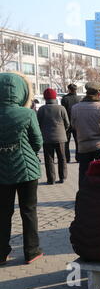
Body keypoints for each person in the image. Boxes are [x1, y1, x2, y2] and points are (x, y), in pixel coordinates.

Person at [0, 72, 44, 265]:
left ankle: (2, 253)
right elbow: (37, 142)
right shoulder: (27, 113)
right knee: (28, 211)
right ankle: (31, 251)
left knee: (2, 213)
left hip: (1, 171)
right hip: (27, 170)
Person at [71, 82, 100, 187]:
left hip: (83, 145)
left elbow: (74, 126)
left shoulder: (75, 107)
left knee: (84, 173)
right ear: (99, 93)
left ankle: (83, 195)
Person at [37, 88, 70, 185]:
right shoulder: (61, 108)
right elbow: (67, 124)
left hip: (46, 138)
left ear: (45, 98)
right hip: (60, 137)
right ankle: (62, 177)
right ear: (55, 97)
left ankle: (51, 179)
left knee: (49, 159)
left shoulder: (41, 109)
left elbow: (38, 124)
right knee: (62, 158)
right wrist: (62, 131)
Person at [61, 84, 81, 163]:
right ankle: (78, 157)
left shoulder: (65, 98)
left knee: (66, 142)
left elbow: (64, 112)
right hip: (77, 123)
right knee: (78, 141)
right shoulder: (79, 99)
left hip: (67, 123)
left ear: (69, 89)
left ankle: (67, 158)